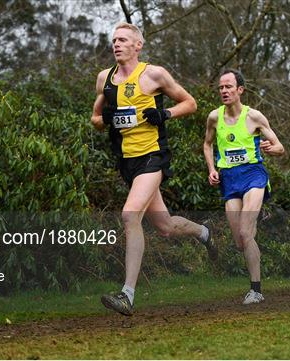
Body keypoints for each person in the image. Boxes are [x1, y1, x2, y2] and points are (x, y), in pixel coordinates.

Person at [91, 22, 217, 316]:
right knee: (165, 227)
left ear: (138, 45)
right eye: (114, 40)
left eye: (123, 40)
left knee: (129, 214)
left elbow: (191, 103)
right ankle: (204, 233)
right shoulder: (104, 79)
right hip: (127, 162)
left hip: (153, 156)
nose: (116, 44)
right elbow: (95, 118)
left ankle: (127, 295)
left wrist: (164, 113)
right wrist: (106, 117)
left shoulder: (153, 74)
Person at [203, 69, 285, 305]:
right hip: (229, 179)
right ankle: (259, 218)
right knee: (240, 242)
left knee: (245, 233)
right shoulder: (214, 118)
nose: (224, 91)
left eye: (229, 87)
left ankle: (256, 290)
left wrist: (271, 148)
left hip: (253, 175)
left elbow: (280, 147)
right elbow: (207, 144)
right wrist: (211, 168)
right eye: (221, 87)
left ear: (240, 90)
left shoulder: (254, 117)